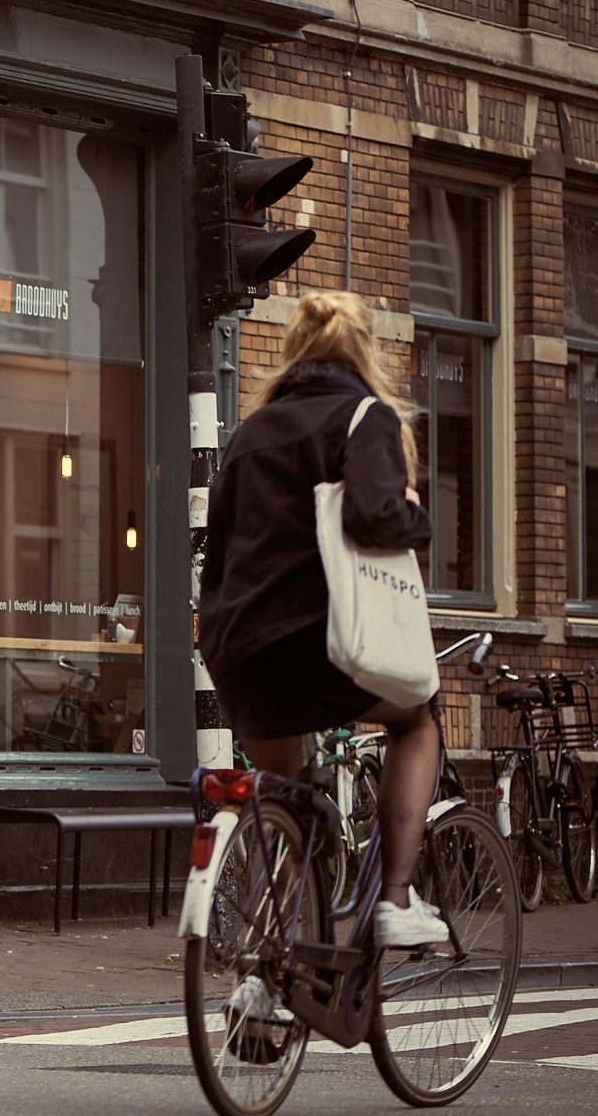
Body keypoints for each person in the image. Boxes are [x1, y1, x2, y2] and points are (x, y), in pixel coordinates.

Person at [198, 289, 448, 949]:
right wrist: (415, 511)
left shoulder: (249, 433)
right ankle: (395, 898)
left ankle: (264, 968)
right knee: (418, 716)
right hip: (321, 642)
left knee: (288, 799)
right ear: (365, 350)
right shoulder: (364, 417)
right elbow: (372, 515)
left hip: (240, 654)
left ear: (294, 351)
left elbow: (215, 551)